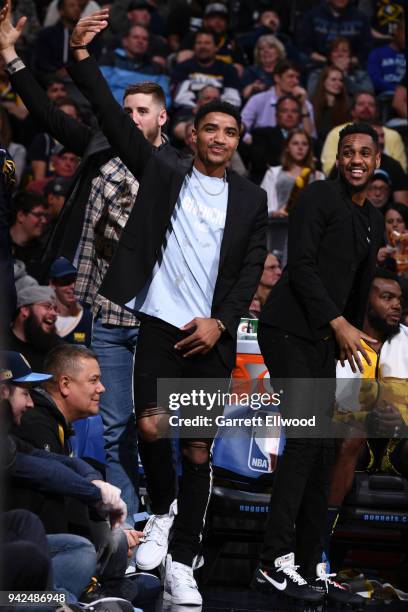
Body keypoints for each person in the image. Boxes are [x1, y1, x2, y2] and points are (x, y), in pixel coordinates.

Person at [67, 7, 267, 604]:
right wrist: (81, 57)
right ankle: (161, 513)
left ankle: (182, 562)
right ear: (193, 134)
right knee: (151, 427)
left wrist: (221, 323)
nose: (220, 140)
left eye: (230, 133)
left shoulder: (252, 200)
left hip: (211, 333)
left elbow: (252, 268)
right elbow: (111, 117)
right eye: (211, 130)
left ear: (237, 142)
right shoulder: (163, 171)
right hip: (158, 320)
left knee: (199, 447)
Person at [0, 1, 170, 522]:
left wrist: (80, 54)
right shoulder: (101, 147)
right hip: (108, 315)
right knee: (115, 426)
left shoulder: (174, 167)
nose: (132, 118)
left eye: (143, 111)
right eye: (127, 110)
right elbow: (47, 113)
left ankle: (167, 520)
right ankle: (129, 523)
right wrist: (9, 54)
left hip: (158, 315)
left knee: (157, 424)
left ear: (163, 117)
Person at [253, 122, 383, 607]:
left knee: (324, 449)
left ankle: (311, 564)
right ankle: (273, 560)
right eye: (347, 150)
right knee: (305, 438)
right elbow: (302, 266)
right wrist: (339, 323)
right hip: (288, 327)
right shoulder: (318, 197)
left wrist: (352, 327)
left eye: (364, 152)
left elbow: (357, 282)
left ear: (376, 161)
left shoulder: (371, 216)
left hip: (324, 337)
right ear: (337, 157)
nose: (355, 158)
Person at [328, 270, 407, 553]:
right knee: (353, 434)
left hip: (398, 444)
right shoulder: (338, 343)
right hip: (353, 444)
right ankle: (321, 542)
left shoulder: (405, 343)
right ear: (365, 301)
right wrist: (367, 417)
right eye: (387, 297)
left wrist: (402, 420)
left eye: (399, 298)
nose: (397, 305)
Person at [320, 91, 407, 174]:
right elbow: (328, 169)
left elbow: (401, 170)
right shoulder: (337, 133)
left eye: (371, 105)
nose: (366, 107)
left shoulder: (393, 135)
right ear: (352, 111)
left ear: (377, 112)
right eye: (361, 104)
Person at [241, 59, 316, 141]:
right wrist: (252, 141)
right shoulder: (258, 100)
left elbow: (311, 138)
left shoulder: (305, 104)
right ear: (277, 78)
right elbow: (241, 126)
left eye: (297, 77)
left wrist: (303, 106)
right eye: (290, 76)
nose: (296, 81)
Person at [171, 28, 241, 109]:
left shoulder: (228, 69)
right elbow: (179, 98)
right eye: (199, 43)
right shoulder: (182, 68)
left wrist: (215, 110)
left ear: (216, 47)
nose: (202, 46)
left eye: (207, 43)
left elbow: (234, 99)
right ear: (194, 46)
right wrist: (198, 109)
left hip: (220, 113)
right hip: (190, 112)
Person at [261, 128, 325, 217]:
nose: (300, 147)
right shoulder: (273, 173)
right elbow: (264, 205)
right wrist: (274, 213)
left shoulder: (318, 176)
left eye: (305, 144)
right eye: (295, 143)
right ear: (287, 147)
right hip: (279, 224)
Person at [249, 94, 305, 184]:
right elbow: (259, 162)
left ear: (299, 116)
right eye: (284, 111)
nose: (289, 115)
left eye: (294, 111)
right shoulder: (261, 134)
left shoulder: (309, 141)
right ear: (277, 115)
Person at [297, 0, 373, 67]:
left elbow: (366, 48)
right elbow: (304, 45)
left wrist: (350, 62)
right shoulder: (313, 15)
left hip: (351, 66)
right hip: (319, 65)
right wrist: (326, 61)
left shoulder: (361, 18)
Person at [7, 280, 60, 368]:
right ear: (25, 310)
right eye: (47, 306)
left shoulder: (57, 351)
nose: (54, 313)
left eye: (55, 308)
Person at [307, 37, 374, 99]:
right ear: (330, 56)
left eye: (344, 51)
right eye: (335, 51)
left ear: (350, 55)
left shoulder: (360, 75)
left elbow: (368, 95)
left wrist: (344, 77)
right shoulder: (317, 74)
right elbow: (312, 95)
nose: (340, 54)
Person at [49, 256, 93, 347]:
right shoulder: (41, 314)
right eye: (65, 281)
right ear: (52, 284)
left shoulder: (88, 318)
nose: (73, 286)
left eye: (75, 280)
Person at [9, 191, 49, 279]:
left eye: (45, 216)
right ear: (21, 216)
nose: (44, 221)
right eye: (38, 215)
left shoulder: (41, 255)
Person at [311, 65, 351, 144]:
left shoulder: (347, 107)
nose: (338, 83)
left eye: (340, 80)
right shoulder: (312, 106)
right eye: (333, 80)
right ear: (323, 81)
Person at [241, 35, 286, 102]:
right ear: (258, 54)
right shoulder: (250, 71)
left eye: (270, 47)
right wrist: (252, 87)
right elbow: (244, 94)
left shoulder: (286, 71)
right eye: (261, 49)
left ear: (278, 52)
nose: (265, 51)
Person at [367, 18, 406, 95]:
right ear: (397, 31)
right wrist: (398, 91)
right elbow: (375, 80)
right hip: (385, 96)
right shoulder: (377, 53)